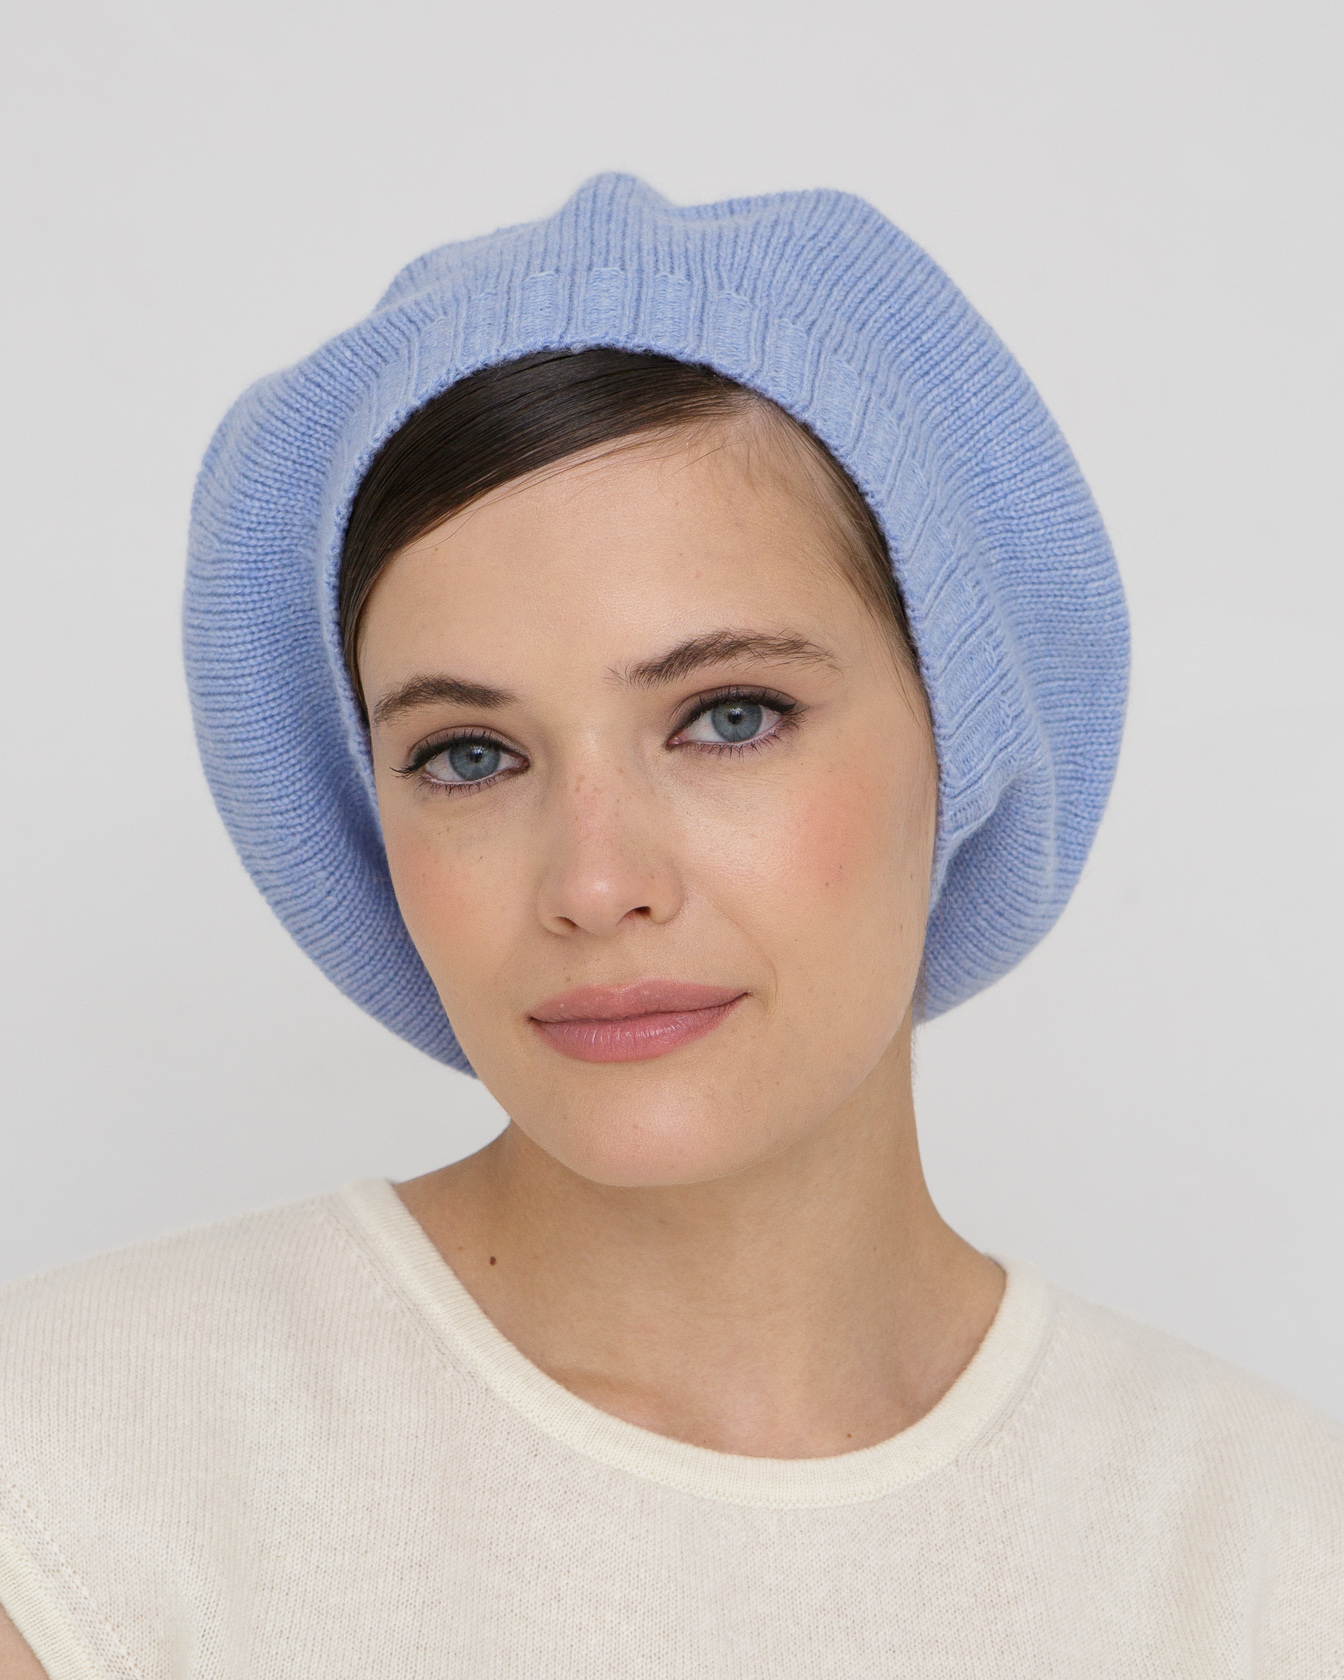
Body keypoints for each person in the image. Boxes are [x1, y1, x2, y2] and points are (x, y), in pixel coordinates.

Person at [0, 174, 1338, 1678]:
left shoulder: (1274, 1566)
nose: (594, 881)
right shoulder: (66, 1494)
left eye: (730, 716)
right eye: (469, 754)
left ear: (963, 731)